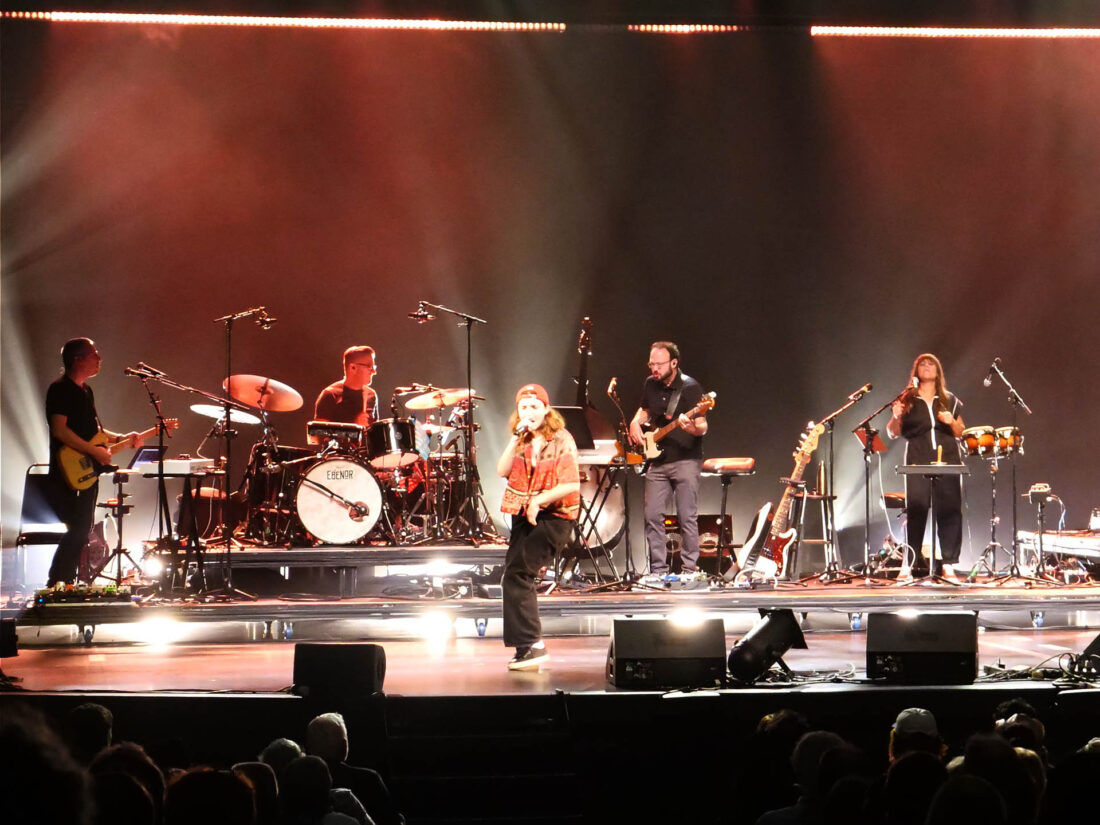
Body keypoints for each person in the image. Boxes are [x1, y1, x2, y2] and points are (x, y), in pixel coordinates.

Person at [45, 338, 145, 587]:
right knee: (78, 528)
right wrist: (95, 451)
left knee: (82, 528)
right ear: (77, 359)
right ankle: (60, 582)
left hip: (89, 470)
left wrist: (120, 438)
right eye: (94, 354)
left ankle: (59, 583)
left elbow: (93, 431)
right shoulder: (60, 389)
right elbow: (60, 430)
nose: (99, 358)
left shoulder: (86, 390)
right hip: (68, 472)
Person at [496, 383, 581, 671]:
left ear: (546, 409)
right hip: (524, 515)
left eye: (534, 406)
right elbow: (502, 471)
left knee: (518, 575)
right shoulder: (521, 439)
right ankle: (527, 648)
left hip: (554, 516)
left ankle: (533, 645)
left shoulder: (561, 439)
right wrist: (514, 438)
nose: (528, 412)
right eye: (523, 407)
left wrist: (538, 501)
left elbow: (571, 483)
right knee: (513, 576)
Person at [627, 341, 709, 583]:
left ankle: (690, 571)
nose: (654, 369)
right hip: (658, 461)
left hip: (685, 460)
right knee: (652, 515)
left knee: (687, 517)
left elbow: (703, 427)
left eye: (659, 364)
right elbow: (645, 410)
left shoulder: (691, 388)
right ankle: (658, 572)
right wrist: (634, 421)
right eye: (651, 364)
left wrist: (690, 426)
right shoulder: (650, 384)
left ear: (674, 363)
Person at [886, 353, 965, 580]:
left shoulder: (949, 399)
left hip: (947, 457)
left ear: (938, 371)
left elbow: (961, 433)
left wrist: (950, 421)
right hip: (917, 458)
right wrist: (895, 416)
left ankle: (948, 563)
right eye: (923, 364)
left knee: (949, 510)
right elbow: (892, 432)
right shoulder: (907, 399)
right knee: (917, 509)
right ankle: (908, 564)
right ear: (916, 371)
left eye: (932, 364)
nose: (928, 366)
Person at [310, 346, 380, 443]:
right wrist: (353, 428)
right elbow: (319, 435)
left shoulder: (371, 395)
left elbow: (375, 433)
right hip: (337, 456)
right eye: (369, 367)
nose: (374, 372)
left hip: (365, 456)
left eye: (374, 367)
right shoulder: (330, 394)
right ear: (353, 368)